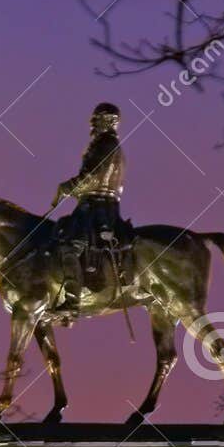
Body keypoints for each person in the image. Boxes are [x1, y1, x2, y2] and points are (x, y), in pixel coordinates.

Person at [49, 102, 127, 317]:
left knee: (69, 246)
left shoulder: (105, 144)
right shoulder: (107, 144)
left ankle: (72, 299)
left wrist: (66, 187)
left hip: (96, 208)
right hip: (99, 205)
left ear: (109, 121)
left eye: (97, 118)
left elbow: (92, 177)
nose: (92, 123)